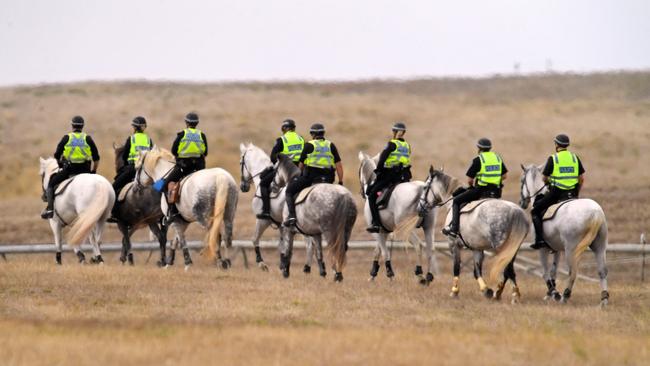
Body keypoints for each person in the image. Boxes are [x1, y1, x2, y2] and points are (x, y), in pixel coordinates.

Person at [442, 138, 508, 238]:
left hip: (481, 192)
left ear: (479, 148)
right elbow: (504, 176)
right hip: (496, 192)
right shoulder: (497, 158)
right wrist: (494, 179)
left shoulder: (479, 159)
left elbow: (469, 180)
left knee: (456, 201)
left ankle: (454, 229)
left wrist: (472, 185)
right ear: (490, 148)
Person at [530, 134, 585, 250]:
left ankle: (539, 239)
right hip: (573, 193)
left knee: (535, 211)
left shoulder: (553, 158)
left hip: (557, 193)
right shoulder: (575, 158)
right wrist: (576, 192)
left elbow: (544, 178)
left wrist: (549, 183)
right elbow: (581, 179)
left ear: (556, 144)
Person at [283, 123, 344, 227]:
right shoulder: (330, 145)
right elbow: (339, 166)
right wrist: (340, 182)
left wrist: (299, 175)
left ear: (312, 134)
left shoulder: (309, 145)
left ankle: (292, 216)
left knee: (289, 191)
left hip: (311, 178)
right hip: (328, 179)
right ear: (323, 133)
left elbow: (301, 165)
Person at [41, 116, 100, 219]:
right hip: (85, 170)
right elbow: (96, 158)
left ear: (72, 126)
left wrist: (60, 164)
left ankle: (50, 209)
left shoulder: (67, 138)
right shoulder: (87, 138)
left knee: (51, 184)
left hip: (69, 169)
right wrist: (93, 171)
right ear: (82, 126)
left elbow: (56, 155)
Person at [365, 122, 412, 233]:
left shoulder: (391, 144)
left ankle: (376, 223)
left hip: (390, 176)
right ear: (404, 133)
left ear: (394, 132)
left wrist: (378, 171)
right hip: (404, 176)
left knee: (372, 195)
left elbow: (382, 159)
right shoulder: (407, 146)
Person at [107, 116, 153, 222]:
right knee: (159, 185)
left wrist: (127, 163)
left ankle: (114, 212)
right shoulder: (148, 139)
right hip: (147, 170)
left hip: (132, 169)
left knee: (114, 187)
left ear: (134, 128)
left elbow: (125, 156)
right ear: (144, 128)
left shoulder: (131, 139)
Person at [256, 119, 305, 220]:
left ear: (284, 129)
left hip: (286, 170)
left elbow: (273, 158)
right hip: (301, 169)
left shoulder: (282, 140)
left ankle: (266, 211)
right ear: (294, 128)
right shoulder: (301, 139)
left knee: (263, 183)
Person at [164, 112, 208, 221]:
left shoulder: (182, 134)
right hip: (199, 167)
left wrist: (180, 157)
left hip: (184, 166)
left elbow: (174, 151)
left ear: (186, 122)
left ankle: (171, 211)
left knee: (166, 184)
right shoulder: (201, 135)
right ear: (197, 123)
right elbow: (205, 152)